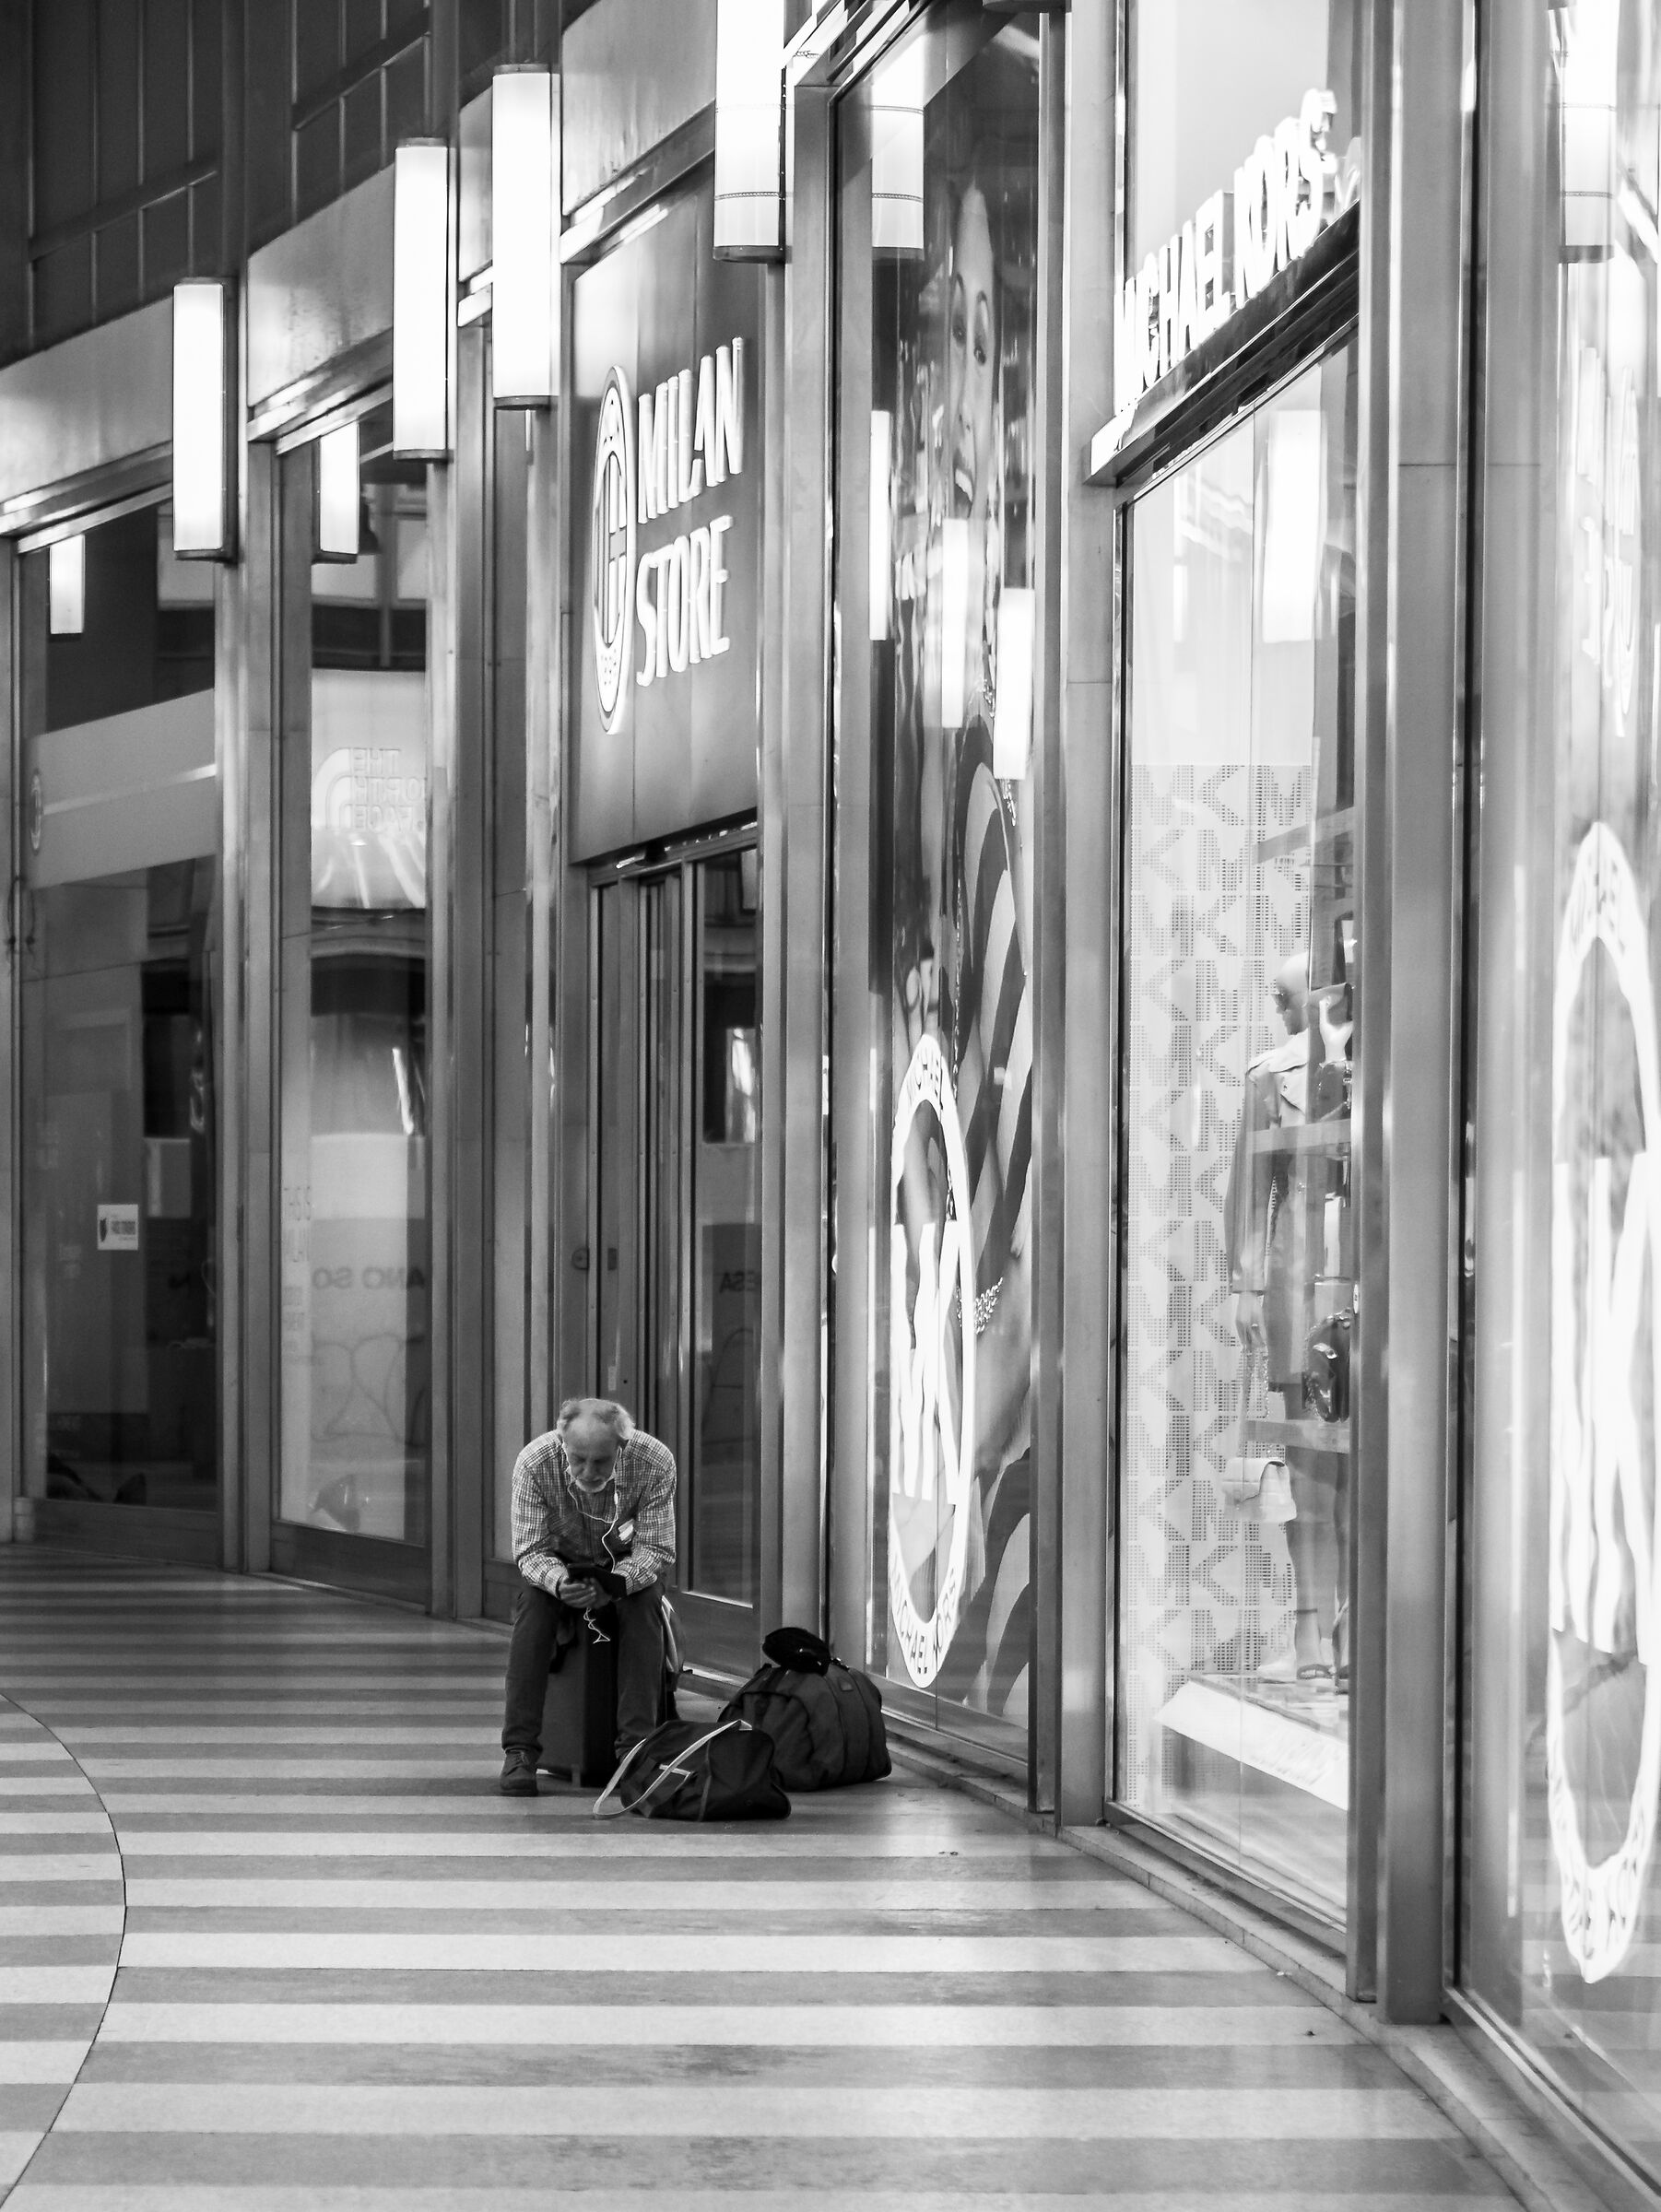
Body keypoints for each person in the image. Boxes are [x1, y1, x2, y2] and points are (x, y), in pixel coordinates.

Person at [498, 1396, 676, 1796]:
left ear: (622, 1447)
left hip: (624, 1569)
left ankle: (634, 1752)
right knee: (534, 1611)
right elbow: (530, 1550)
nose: (588, 1471)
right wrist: (561, 1584)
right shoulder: (534, 1463)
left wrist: (615, 1585)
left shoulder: (654, 1462)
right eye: (578, 1459)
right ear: (562, 1442)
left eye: (600, 1462)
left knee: (644, 1607)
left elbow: (656, 1550)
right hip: (558, 1565)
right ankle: (520, 1750)